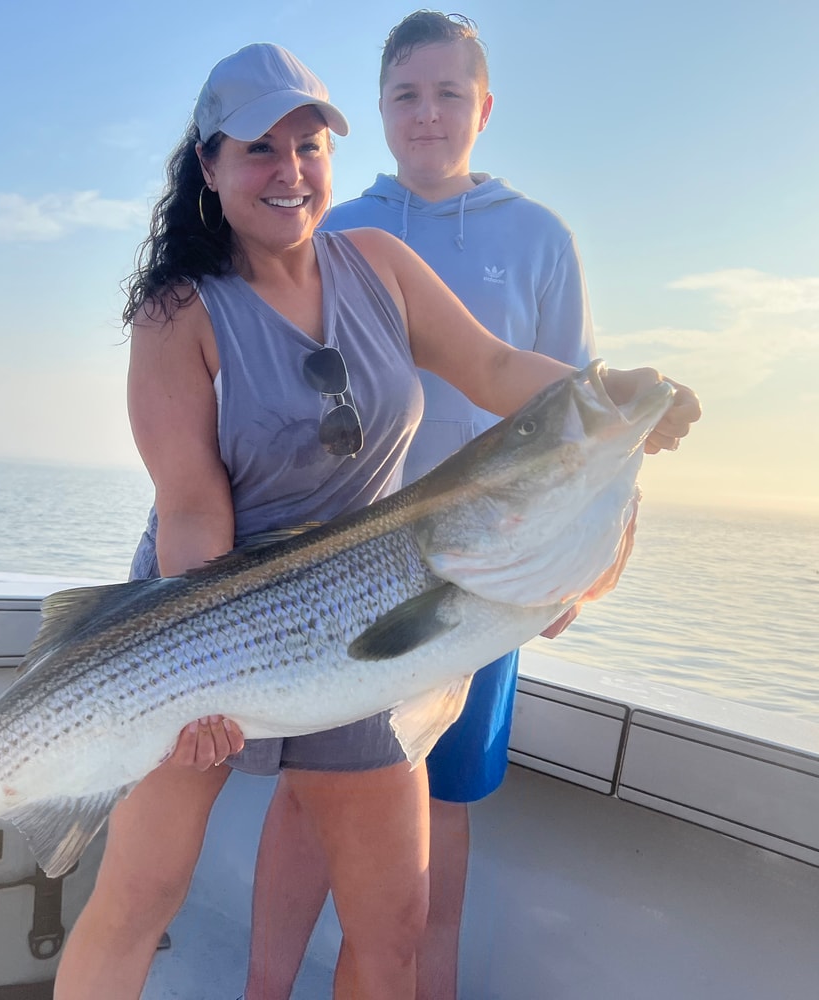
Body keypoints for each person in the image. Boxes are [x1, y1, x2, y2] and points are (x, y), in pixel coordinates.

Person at [53, 40, 699, 1000]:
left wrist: (612, 396)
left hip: (367, 603)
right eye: (259, 150)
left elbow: (490, 369)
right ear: (210, 166)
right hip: (200, 614)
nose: (289, 172)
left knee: (394, 926)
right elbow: (192, 509)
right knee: (139, 897)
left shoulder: (380, 266)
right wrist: (194, 687)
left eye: (309, 145)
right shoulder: (176, 313)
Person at [242, 12, 632, 1000]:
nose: (426, 113)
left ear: (484, 107)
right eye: (406, 94)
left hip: (487, 571)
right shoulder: (333, 231)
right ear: (377, 110)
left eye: (448, 93)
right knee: (301, 800)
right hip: (342, 569)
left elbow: (586, 419)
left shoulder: (540, 240)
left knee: (443, 804)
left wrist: (600, 559)